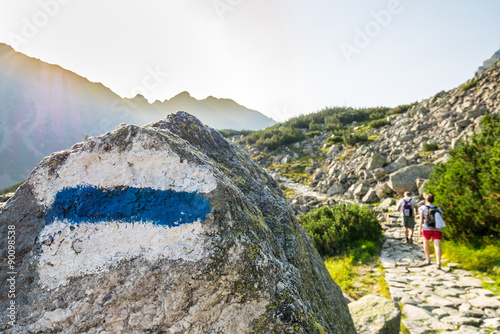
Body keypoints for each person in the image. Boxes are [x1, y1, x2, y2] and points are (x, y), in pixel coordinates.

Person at [418, 193, 444, 269]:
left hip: (427, 228)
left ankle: (428, 259)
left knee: (426, 243)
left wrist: (420, 229)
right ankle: (438, 263)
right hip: (437, 229)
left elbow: (421, 220)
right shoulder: (438, 208)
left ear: (426, 200)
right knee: (437, 245)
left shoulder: (423, 208)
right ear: (433, 200)